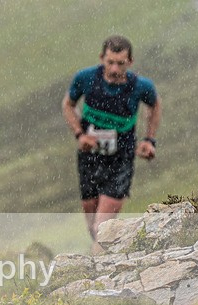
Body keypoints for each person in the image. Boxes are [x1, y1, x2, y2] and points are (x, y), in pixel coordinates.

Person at [61, 35, 162, 250]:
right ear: (101, 58)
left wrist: (149, 139)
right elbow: (68, 105)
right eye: (110, 62)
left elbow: (155, 105)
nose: (115, 69)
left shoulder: (141, 86)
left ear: (130, 62)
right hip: (90, 157)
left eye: (120, 63)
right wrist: (80, 135)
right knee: (91, 220)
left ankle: (99, 268)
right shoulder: (85, 79)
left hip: (121, 159)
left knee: (102, 227)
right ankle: (105, 253)